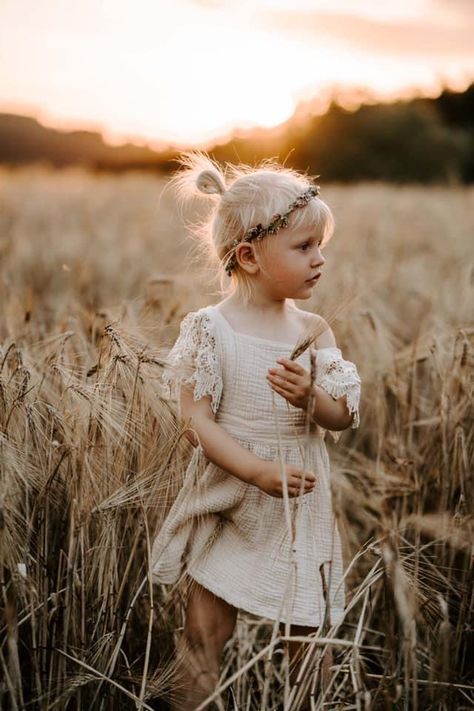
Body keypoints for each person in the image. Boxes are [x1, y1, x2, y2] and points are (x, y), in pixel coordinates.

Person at [151, 151, 362, 710]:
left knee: (309, 637)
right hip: (228, 493)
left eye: (321, 246)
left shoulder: (314, 330)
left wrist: (312, 399)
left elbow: (344, 415)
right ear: (248, 256)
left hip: (297, 500)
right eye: (303, 247)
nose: (320, 260)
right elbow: (195, 420)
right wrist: (254, 469)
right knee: (202, 633)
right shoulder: (209, 329)